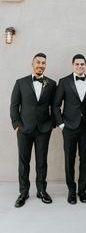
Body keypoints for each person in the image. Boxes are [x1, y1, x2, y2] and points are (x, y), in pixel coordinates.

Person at [10, 53, 56, 208]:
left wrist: (52, 124)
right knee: (24, 162)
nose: (41, 65)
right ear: (32, 64)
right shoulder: (21, 82)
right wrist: (17, 123)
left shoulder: (51, 83)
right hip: (24, 129)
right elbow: (14, 105)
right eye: (38, 62)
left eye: (43, 63)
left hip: (43, 129)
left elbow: (54, 106)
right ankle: (23, 192)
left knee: (42, 162)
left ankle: (42, 191)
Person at [53, 54, 86, 204]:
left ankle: (82, 191)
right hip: (69, 127)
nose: (79, 66)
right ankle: (71, 191)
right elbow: (56, 105)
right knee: (69, 159)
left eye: (82, 64)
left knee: (85, 160)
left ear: (85, 65)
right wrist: (61, 124)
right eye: (77, 64)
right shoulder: (64, 82)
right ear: (72, 65)